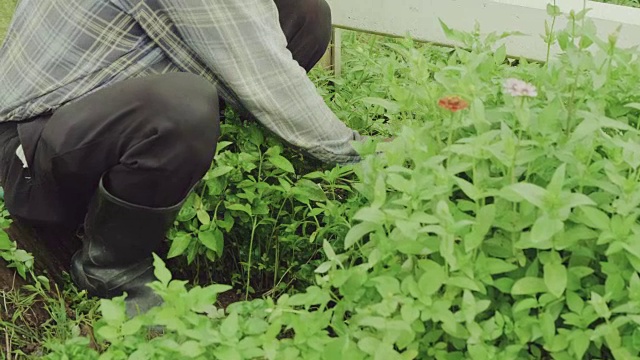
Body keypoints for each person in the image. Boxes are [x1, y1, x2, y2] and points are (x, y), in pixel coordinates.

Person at [0, 0, 364, 316]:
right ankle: (111, 268)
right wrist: (361, 156)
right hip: (30, 145)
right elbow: (266, 75)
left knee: (305, 14)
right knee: (184, 106)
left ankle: (188, 163)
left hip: (94, 108)